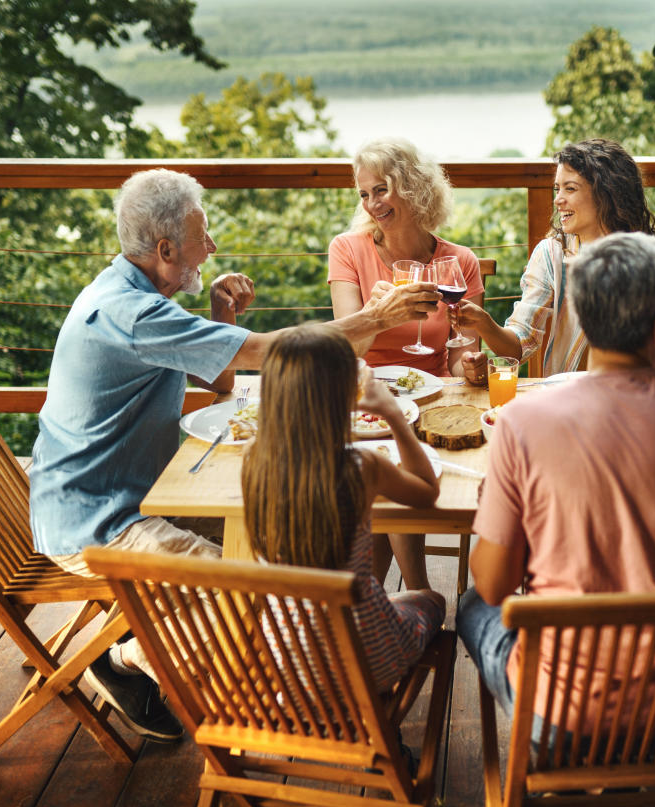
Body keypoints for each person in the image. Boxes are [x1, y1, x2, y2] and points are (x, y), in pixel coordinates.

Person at [30, 168, 439, 742]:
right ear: (167, 248)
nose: (213, 248)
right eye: (204, 235)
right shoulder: (131, 312)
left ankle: (279, 666)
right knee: (254, 606)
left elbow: (222, 374)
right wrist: (377, 317)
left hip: (137, 492)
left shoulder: (136, 294)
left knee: (271, 550)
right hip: (101, 522)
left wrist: (221, 318)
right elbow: (265, 354)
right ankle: (134, 661)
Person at [457, 231, 655, 736]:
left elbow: (495, 584)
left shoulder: (522, 421)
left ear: (584, 315)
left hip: (565, 722)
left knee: (473, 604)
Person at [243, 324, 445, 692]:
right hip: (366, 665)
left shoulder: (254, 463)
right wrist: (394, 414)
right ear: (342, 398)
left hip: (285, 667)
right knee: (432, 600)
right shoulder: (359, 468)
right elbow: (427, 491)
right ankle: (379, 717)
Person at [328, 137, 484, 592]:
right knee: (384, 464)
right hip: (363, 396)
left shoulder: (460, 262)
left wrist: (471, 367)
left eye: (382, 190)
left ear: (413, 188)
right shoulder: (347, 249)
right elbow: (348, 352)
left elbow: (457, 362)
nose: (372, 203)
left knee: (387, 469)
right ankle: (417, 594)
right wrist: (376, 318)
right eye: (364, 193)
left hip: (431, 398)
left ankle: (384, 602)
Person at [451, 138, 655, 384]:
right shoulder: (551, 255)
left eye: (570, 188)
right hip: (567, 398)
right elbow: (518, 346)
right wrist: (483, 322)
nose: (558, 199)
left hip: (638, 393)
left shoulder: (653, 255)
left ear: (607, 192)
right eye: (557, 189)